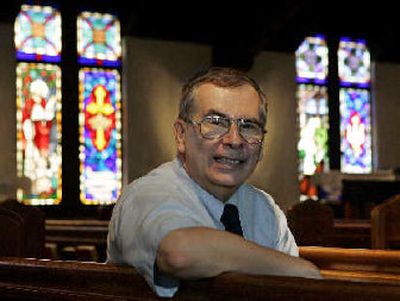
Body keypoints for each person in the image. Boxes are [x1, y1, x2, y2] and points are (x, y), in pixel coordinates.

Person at [106, 67, 321, 297]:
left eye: (248, 126)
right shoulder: (146, 194)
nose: (234, 140)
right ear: (180, 135)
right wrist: (302, 270)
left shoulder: (265, 208)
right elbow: (180, 253)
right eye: (216, 122)